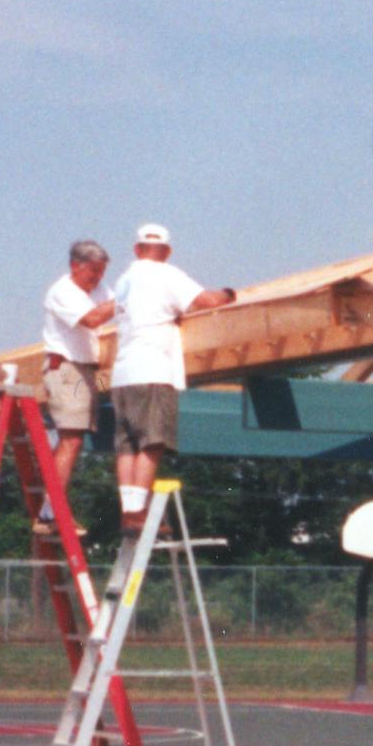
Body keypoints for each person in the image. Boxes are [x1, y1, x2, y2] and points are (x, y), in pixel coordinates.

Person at [108, 224, 237, 532]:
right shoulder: (165, 274)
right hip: (153, 369)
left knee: (128, 446)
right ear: (166, 251)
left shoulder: (125, 280)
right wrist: (230, 294)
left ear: (137, 249)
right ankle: (138, 513)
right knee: (153, 443)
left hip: (123, 373)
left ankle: (129, 511)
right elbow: (207, 301)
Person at [39, 240, 115, 496]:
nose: (98, 277)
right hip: (68, 371)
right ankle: (52, 511)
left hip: (89, 372)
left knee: (74, 438)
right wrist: (129, 297)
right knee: (71, 438)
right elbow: (93, 319)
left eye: (102, 271)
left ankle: (52, 509)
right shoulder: (62, 291)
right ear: (75, 266)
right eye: (93, 271)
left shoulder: (100, 289)